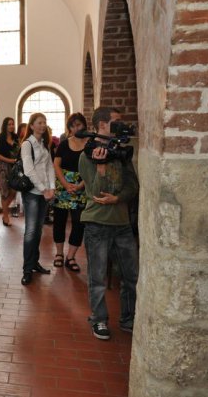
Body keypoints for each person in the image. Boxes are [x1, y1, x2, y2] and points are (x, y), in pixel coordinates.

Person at [79, 106, 139, 340]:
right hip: (97, 223)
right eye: (116, 122)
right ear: (102, 125)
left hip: (122, 223)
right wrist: (101, 168)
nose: (120, 125)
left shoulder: (121, 153)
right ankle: (99, 319)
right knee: (98, 278)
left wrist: (118, 198)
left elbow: (133, 186)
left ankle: (128, 318)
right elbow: (96, 193)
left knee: (131, 275)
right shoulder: (87, 156)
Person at [20, 113, 55, 286]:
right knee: (31, 231)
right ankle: (27, 269)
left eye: (44, 122)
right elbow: (29, 170)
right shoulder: (27, 144)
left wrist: (52, 187)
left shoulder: (43, 144)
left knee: (39, 230)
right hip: (33, 193)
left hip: (45, 193)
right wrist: (43, 189)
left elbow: (49, 167)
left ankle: (34, 263)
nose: (43, 125)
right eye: (39, 122)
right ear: (32, 125)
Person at [52, 113, 88, 272]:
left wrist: (80, 185)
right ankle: (59, 253)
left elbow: (93, 168)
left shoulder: (90, 144)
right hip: (63, 186)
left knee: (78, 222)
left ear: (84, 125)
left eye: (78, 125)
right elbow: (56, 165)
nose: (76, 129)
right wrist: (65, 184)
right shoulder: (64, 144)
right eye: (72, 126)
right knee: (59, 221)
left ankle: (71, 256)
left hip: (82, 185)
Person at [0, 117, 19, 227]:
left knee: (14, 190)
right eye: (9, 124)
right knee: (4, 192)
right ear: (5, 126)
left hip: (14, 167)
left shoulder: (16, 137)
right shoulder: (1, 138)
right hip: (3, 167)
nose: (11, 126)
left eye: (13, 124)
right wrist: (10, 160)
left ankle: (4, 210)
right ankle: (6, 216)